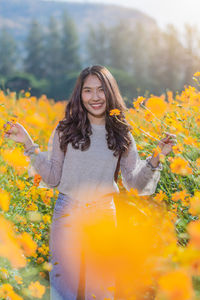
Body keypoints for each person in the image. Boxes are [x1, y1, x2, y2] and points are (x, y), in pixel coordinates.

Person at [3, 65, 176, 300]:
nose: (95, 97)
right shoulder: (65, 129)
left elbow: (134, 183)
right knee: (63, 288)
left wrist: (157, 156)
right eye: (88, 90)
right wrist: (29, 144)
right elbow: (53, 177)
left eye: (101, 90)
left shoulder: (122, 132)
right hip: (67, 211)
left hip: (103, 213)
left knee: (102, 288)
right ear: (79, 94)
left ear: (110, 92)